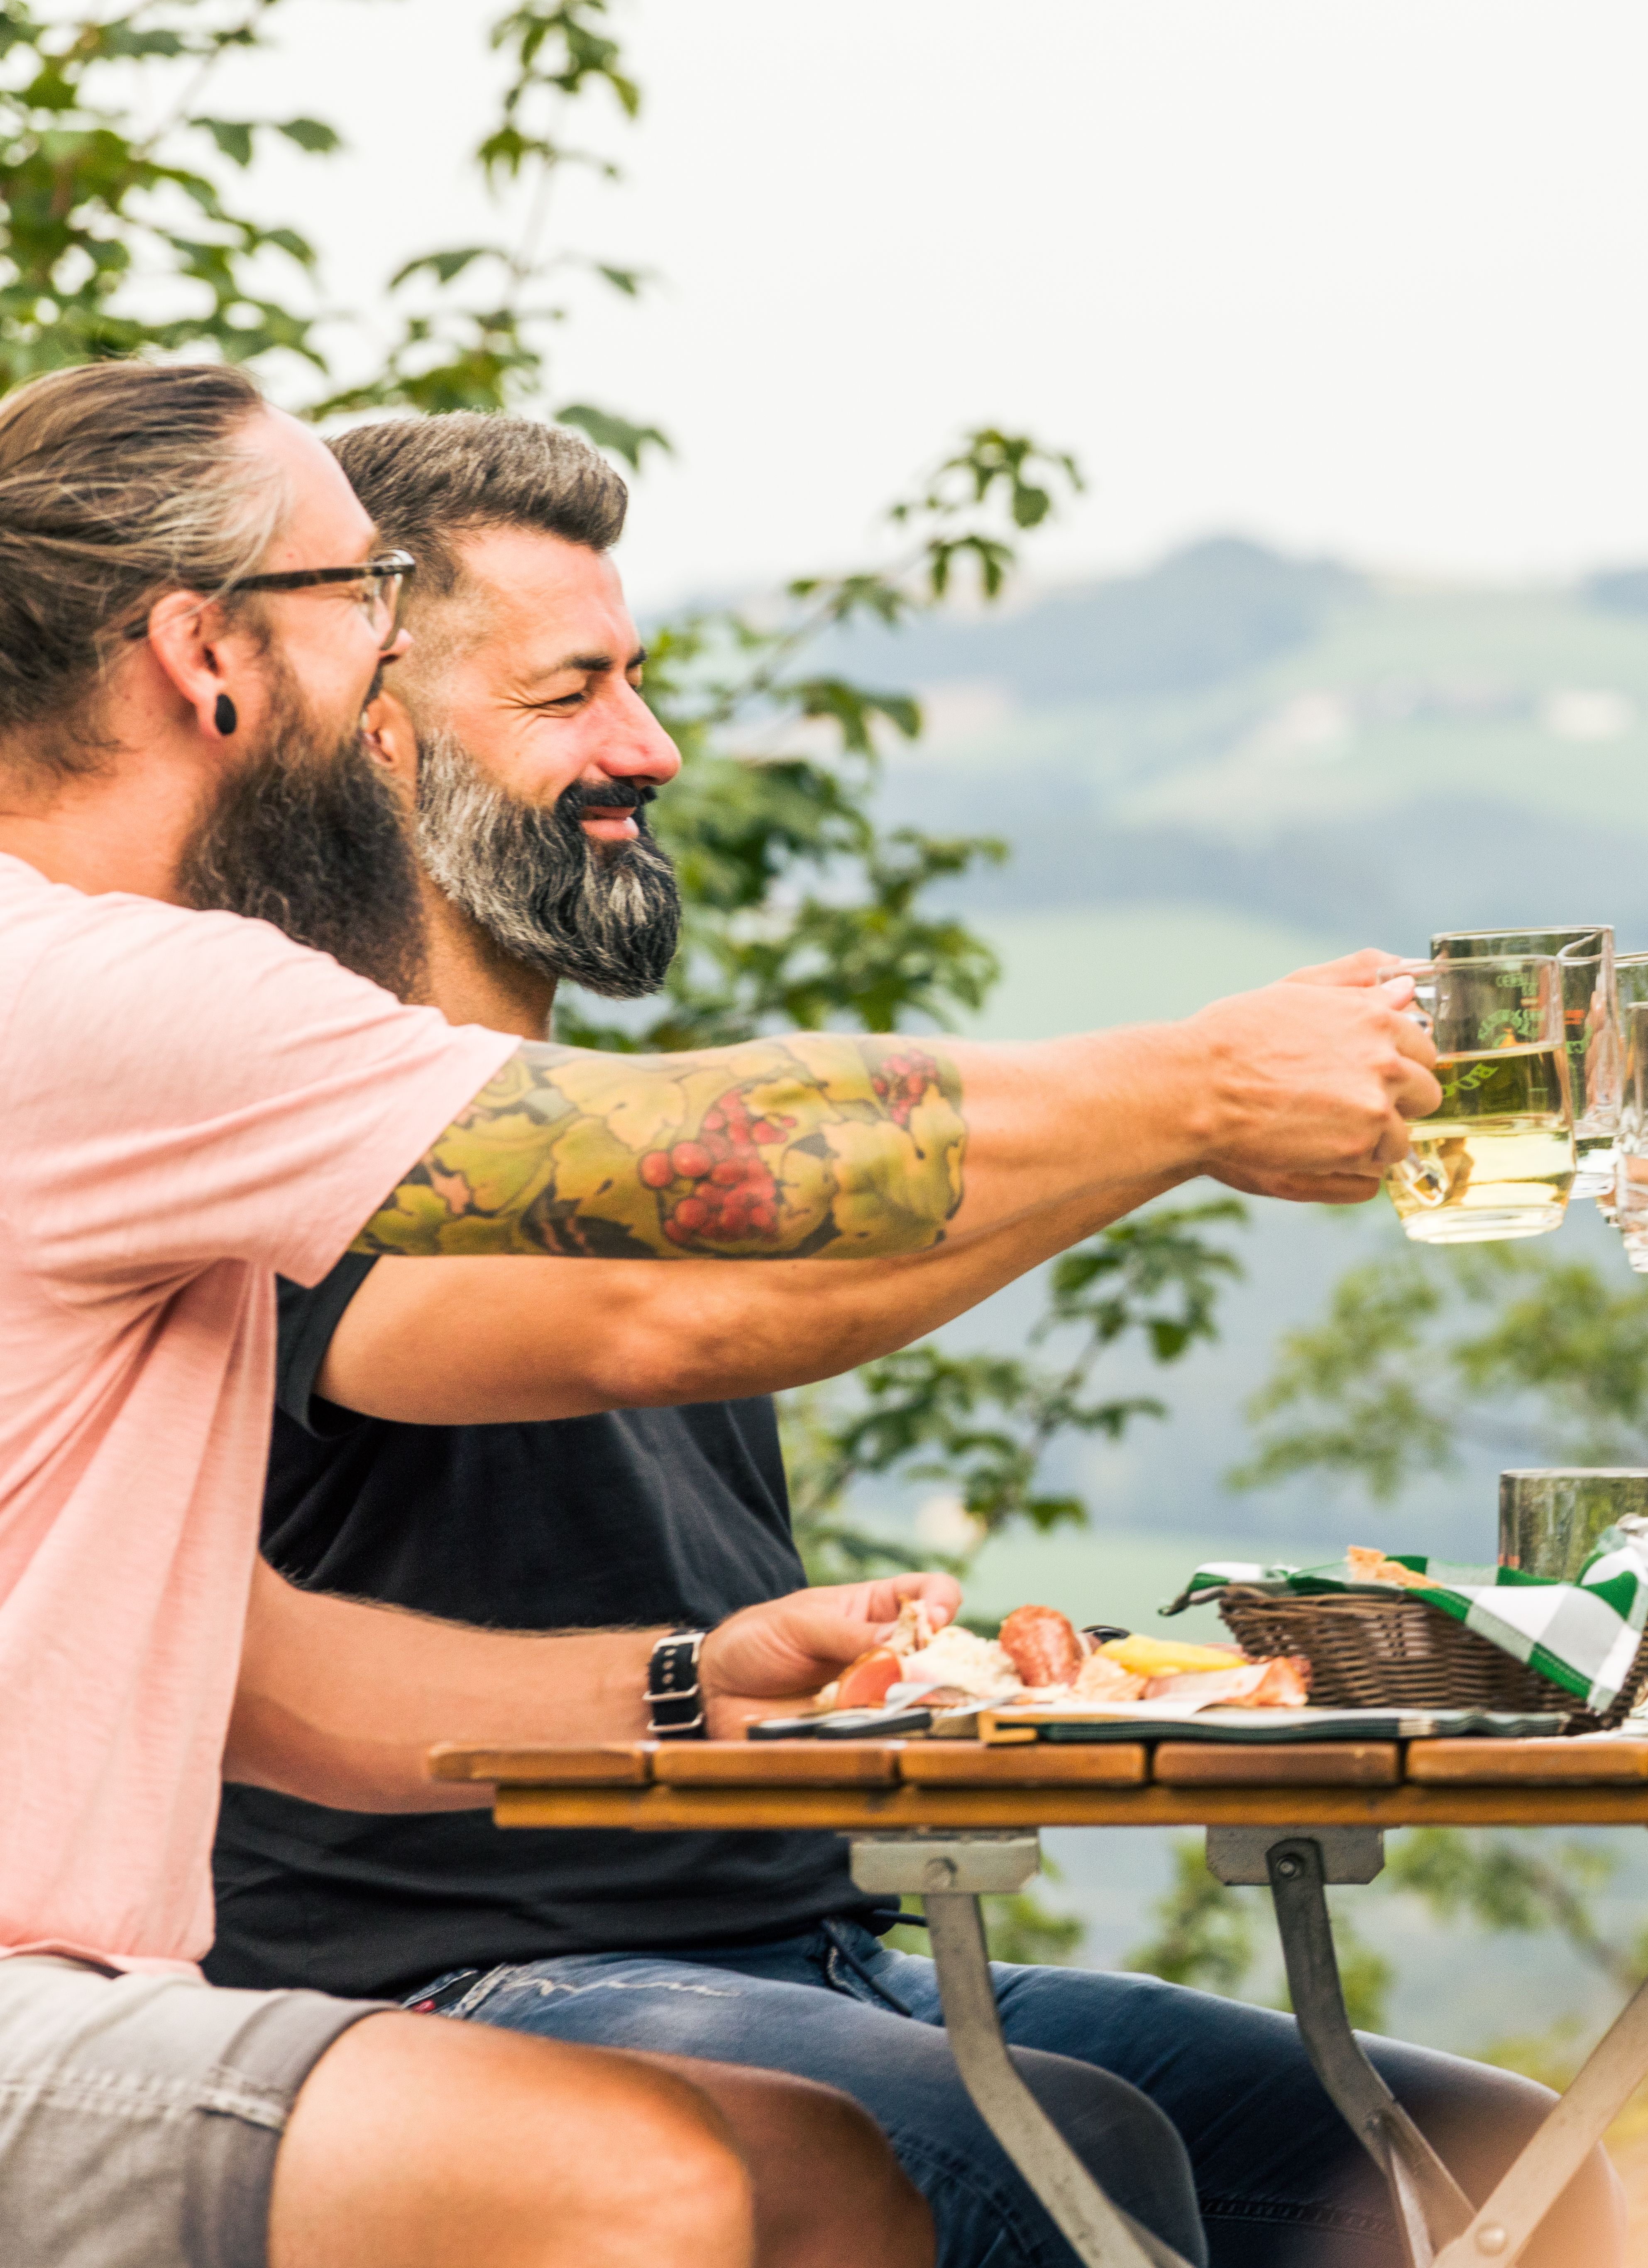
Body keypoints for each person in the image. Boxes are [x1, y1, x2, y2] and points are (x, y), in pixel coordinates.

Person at [0, 359, 1435, 2268]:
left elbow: (230, 1665)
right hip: (98, 1999)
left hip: (125, 1987)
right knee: (663, 2178)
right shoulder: (114, 995)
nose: (373, 667)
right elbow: (697, 1212)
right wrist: (1187, 1088)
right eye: (357, 598)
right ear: (205, 652)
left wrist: (674, 1686)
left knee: (847, 2176)